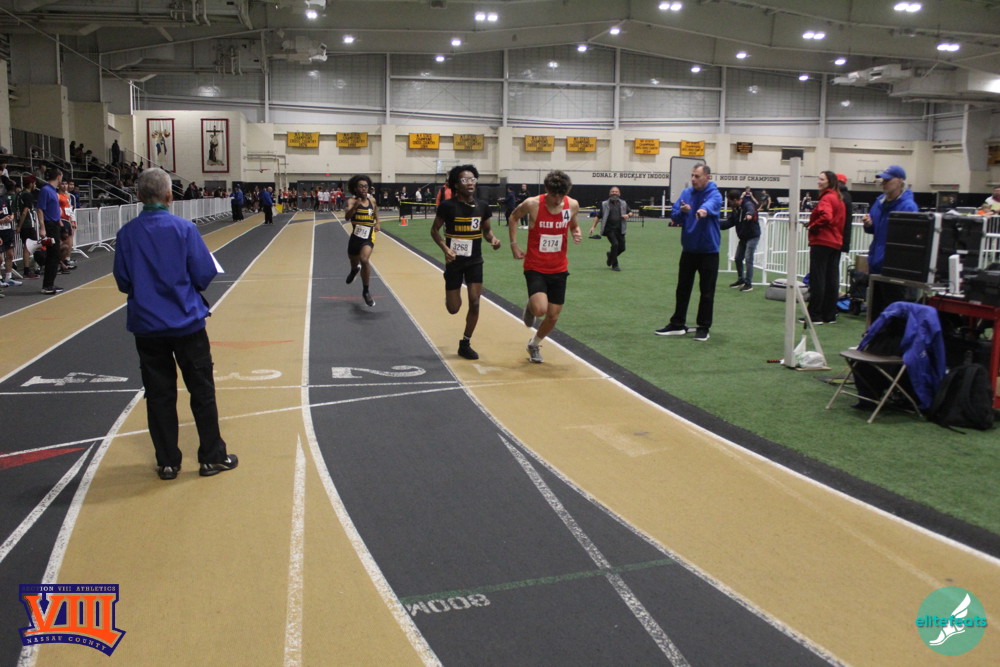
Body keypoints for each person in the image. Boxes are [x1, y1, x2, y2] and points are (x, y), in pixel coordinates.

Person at [113, 168, 237, 481]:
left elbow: (123, 281)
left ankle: (168, 462)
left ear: (139, 196)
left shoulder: (127, 234)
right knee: (202, 390)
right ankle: (212, 457)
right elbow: (203, 274)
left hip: (147, 326)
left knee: (159, 395)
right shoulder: (185, 229)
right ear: (169, 196)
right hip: (186, 323)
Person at [508, 170, 581, 363]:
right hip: (535, 266)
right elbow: (513, 217)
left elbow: (573, 224)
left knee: (553, 315)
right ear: (547, 190)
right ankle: (532, 306)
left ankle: (534, 344)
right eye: (554, 195)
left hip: (559, 267)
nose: (557, 200)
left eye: (561, 196)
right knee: (540, 309)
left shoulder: (572, 205)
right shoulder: (532, 204)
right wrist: (514, 245)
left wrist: (576, 232)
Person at [430, 165, 501, 360]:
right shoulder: (448, 206)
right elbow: (434, 230)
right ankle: (449, 292)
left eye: (472, 179)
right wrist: (445, 249)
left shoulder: (482, 206)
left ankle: (465, 343)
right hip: (454, 262)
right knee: (453, 309)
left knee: (475, 302)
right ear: (456, 184)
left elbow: (487, 231)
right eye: (464, 180)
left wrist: (493, 240)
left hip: (474, 261)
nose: (470, 183)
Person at [655, 163, 722, 341]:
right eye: (692, 175)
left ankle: (703, 327)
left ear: (707, 177)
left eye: (697, 176)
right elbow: (675, 215)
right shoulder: (686, 193)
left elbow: (710, 205)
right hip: (689, 250)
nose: (693, 179)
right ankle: (677, 324)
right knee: (682, 289)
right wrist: (683, 212)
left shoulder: (714, 194)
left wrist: (702, 211)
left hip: (709, 252)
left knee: (707, 292)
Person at [804, 171, 846, 326]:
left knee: (818, 279)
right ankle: (829, 314)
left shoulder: (827, 198)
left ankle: (815, 315)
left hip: (822, 241)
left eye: (821, 179)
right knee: (831, 278)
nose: (818, 181)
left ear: (829, 182)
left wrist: (812, 225)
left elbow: (826, 217)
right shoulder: (838, 198)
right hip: (836, 242)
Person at [862, 165, 918, 276]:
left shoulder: (908, 207)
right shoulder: (879, 203)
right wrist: (869, 225)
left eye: (887, 180)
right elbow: (873, 230)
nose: (883, 183)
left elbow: (909, 239)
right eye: (883, 180)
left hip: (895, 266)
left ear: (899, 181)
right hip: (875, 261)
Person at [344, 174, 380, 307]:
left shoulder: (372, 200)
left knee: (364, 259)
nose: (364, 189)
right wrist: (355, 207)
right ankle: (354, 270)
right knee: (354, 261)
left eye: (366, 186)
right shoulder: (351, 201)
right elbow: (347, 217)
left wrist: (377, 222)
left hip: (368, 236)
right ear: (355, 188)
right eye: (361, 186)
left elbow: (376, 210)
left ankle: (366, 291)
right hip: (355, 237)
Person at [721, 189, 760, 291]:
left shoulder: (747, 205)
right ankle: (741, 279)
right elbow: (728, 223)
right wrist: (715, 224)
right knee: (738, 258)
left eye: (730, 201)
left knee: (748, 258)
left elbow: (750, 209)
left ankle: (748, 284)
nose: (729, 203)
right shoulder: (736, 210)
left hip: (752, 236)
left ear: (735, 200)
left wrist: (749, 214)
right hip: (743, 237)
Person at [35, 166, 64, 295]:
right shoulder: (46, 190)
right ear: (58, 177)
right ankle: (47, 285)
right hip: (49, 225)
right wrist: (42, 227)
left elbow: (52, 209)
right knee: (53, 255)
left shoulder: (52, 191)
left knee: (55, 255)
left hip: (54, 224)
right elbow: (40, 209)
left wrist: (59, 221)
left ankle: (50, 283)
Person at [589, 186, 630, 271]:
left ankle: (610, 256)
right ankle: (615, 265)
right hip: (609, 229)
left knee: (622, 248)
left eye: (616, 191)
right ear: (609, 193)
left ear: (619, 193)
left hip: (620, 229)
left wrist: (628, 215)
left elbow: (630, 212)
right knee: (615, 244)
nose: (614, 193)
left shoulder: (623, 203)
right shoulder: (604, 204)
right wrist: (593, 227)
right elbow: (598, 216)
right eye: (612, 191)